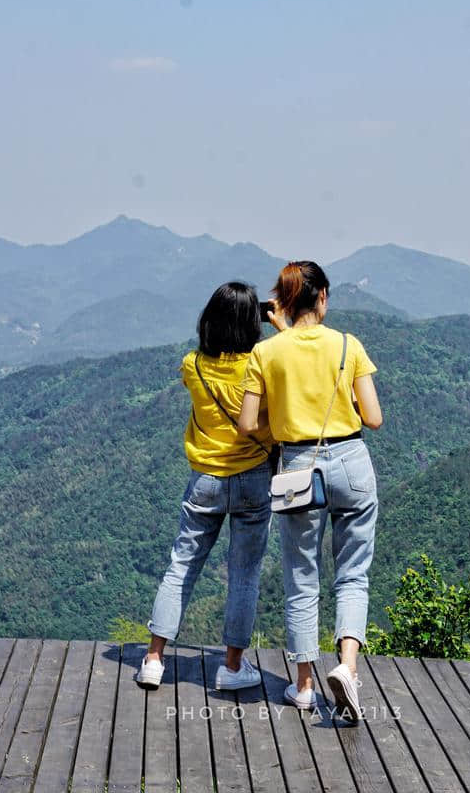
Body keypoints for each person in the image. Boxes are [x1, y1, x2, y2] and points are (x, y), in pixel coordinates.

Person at [238, 260, 382, 721]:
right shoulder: (347, 345)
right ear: (322, 298)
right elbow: (374, 418)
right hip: (353, 464)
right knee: (352, 574)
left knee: (302, 577)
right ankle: (347, 668)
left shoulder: (267, 353)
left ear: (282, 301)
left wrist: (281, 421)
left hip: (300, 470)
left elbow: (247, 424)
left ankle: (303, 687)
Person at [136, 282, 274, 690]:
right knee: (244, 574)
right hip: (254, 480)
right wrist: (277, 323)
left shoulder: (193, 365)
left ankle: (154, 659)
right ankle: (232, 668)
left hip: (206, 481)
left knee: (182, 566)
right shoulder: (261, 365)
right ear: (253, 322)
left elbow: (196, 379)